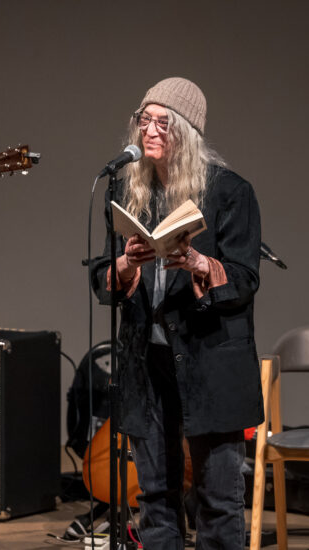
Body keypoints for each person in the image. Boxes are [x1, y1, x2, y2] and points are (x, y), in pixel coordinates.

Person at [91, 77, 264, 549]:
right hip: (148, 362)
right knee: (155, 497)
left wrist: (199, 263)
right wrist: (126, 262)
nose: (149, 131)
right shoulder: (127, 189)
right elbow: (102, 277)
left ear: (186, 132)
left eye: (162, 123)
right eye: (144, 120)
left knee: (218, 500)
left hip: (209, 359)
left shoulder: (230, 192)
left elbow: (245, 280)